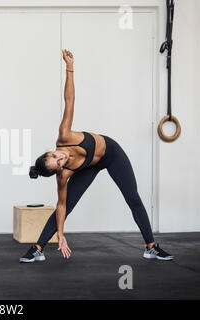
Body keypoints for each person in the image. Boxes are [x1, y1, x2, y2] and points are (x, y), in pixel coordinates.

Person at [20, 50, 173, 263]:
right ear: (58, 170)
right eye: (58, 163)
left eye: (56, 155)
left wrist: (70, 67)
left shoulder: (65, 135)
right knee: (66, 205)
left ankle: (151, 247)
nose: (61, 158)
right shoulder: (63, 175)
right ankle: (38, 248)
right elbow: (62, 205)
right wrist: (61, 235)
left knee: (132, 197)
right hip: (88, 168)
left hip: (111, 154)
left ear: (50, 150)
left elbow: (69, 100)